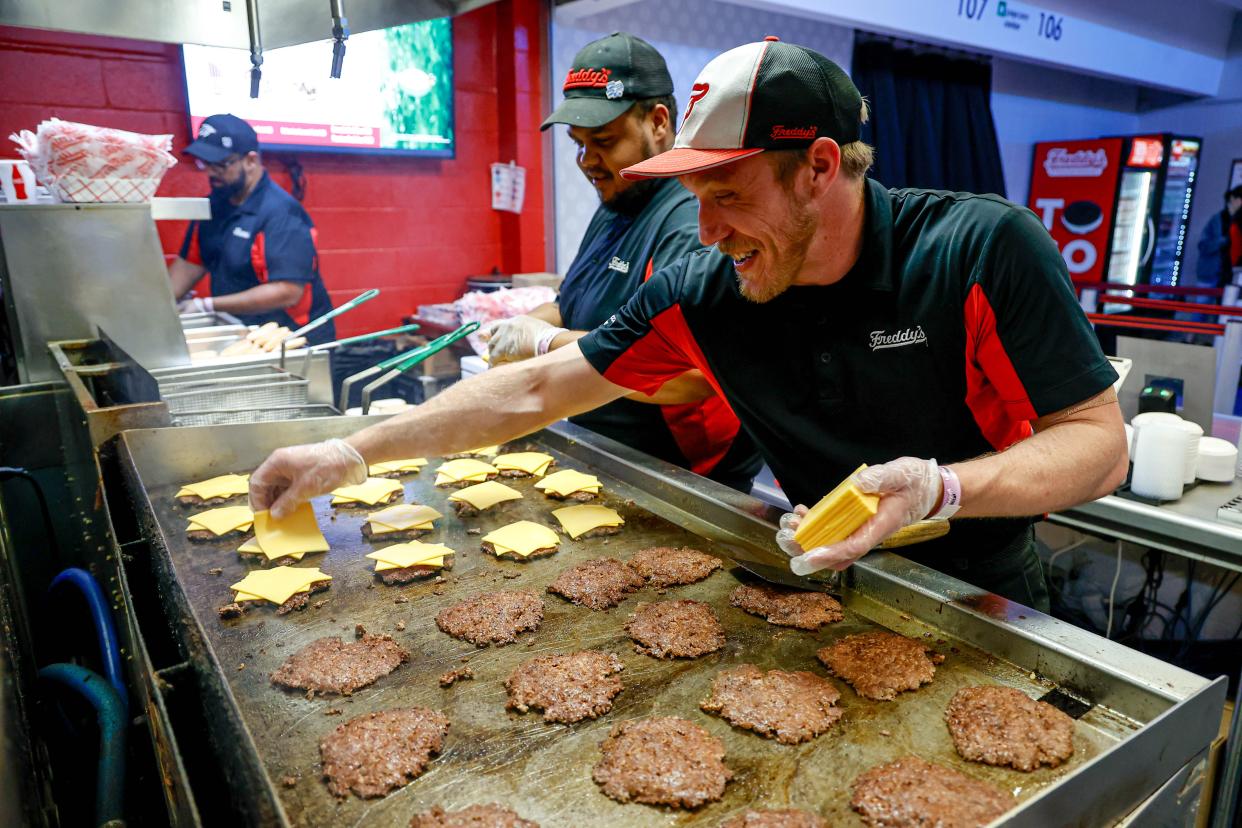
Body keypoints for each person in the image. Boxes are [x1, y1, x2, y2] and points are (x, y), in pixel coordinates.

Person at [249, 39, 1128, 611]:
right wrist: (354, 452)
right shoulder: (708, 290)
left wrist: (942, 490)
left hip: (981, 588)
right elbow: (538, 385)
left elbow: (1096, 444)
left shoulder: (979, 250)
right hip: (824, 577)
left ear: (820, 165)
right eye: (696, 198)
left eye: (730, 195)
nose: (706, 233)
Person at [483, 32, 760, 492]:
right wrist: (520, 326)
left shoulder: (690, 218)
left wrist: (545, 343)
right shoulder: (615, 202)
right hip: (602, 452)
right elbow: (572, 302)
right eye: (578, 144)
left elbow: (690, 375)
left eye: (604, 142)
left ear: (658, 122)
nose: (587, 161)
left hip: (681, 481)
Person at [168, 114, 336, 344]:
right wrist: (161, 305)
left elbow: (287, 291)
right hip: (240, 330)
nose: (210, 172)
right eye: (205, 163)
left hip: (290, 338)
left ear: (250, 160)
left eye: (221, 164)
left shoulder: (281, 213)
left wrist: (206, 305)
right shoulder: (213, 207)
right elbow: (189, 265)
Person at [1195, 185, 1242, 288]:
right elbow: (1203, 246)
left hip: (1230, 277)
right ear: (1232, 199)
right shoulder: (1217, 220)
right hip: (1210, 274)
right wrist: (1224, 240)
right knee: (1203, 302)